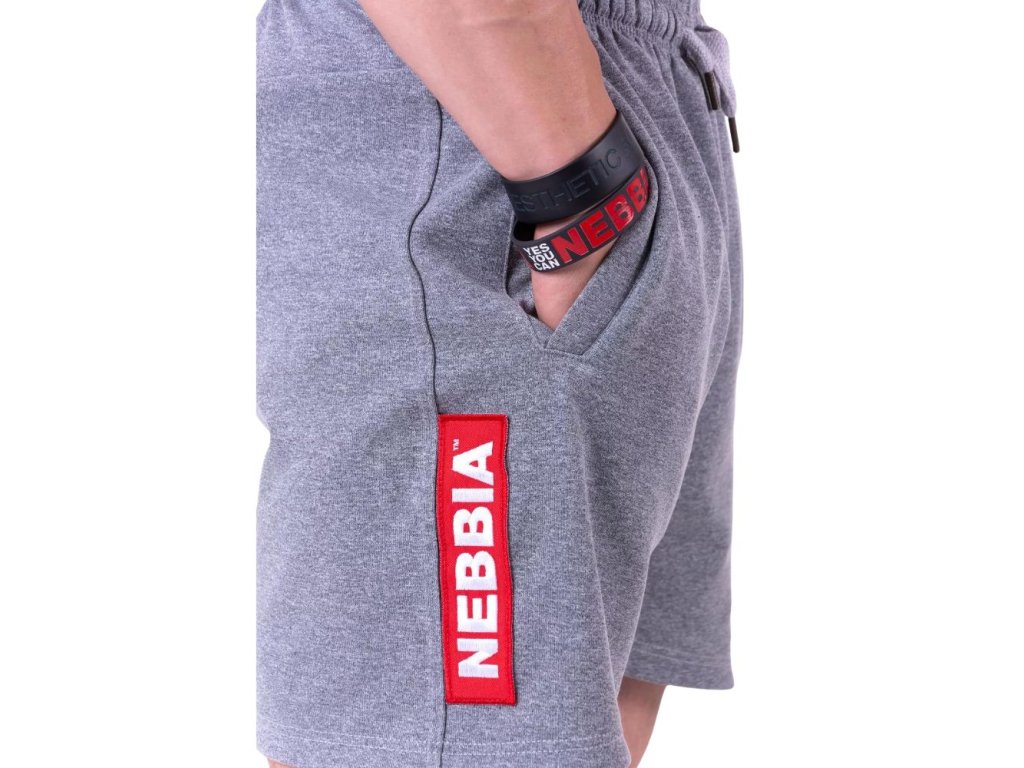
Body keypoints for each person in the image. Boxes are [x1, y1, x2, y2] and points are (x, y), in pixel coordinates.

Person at [255, 0, 743, 766]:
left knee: (554, 722)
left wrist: (587, 198)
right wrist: (586, 198)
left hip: (550, 125)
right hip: (507, 130)